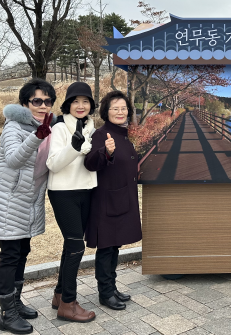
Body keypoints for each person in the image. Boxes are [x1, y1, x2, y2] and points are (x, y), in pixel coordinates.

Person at [0, 78, 56, 334]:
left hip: (30, 201)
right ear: (26, 103)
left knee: (23, 252)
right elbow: (14, 160)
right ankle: (7, 314)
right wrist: (37, 137)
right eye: (37, 101)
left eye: (47, 101)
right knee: (10, 256)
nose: (43, 106)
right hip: (10, 201)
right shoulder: (14, 127)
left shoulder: (48, 127)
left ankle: (15, 302)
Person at [84, 90, 142, 311]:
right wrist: (105, 153)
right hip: (106, 202)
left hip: (122, 198)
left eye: (123, 108)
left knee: (114, 246)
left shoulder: (123, 133)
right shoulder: (102, 134)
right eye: (115, 108)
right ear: (106, 112)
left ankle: (112, 287)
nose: (120, 112)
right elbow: (90, 163)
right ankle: (105, 293)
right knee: (106, 247)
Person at [46, 82, 98, 323]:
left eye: (85, 101)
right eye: (75, 101)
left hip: (86, 190)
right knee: (77, 246)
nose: (80, 106)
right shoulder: (59, 128)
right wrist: (74, 146)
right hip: (64, 192)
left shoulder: (91, 127)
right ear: (68, 104)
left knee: (72, 244)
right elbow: (53, 164)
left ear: (91, 105)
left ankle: (59, 294)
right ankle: (68, 304)